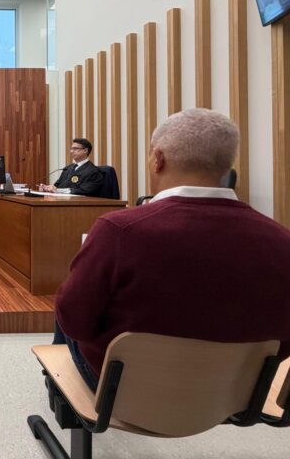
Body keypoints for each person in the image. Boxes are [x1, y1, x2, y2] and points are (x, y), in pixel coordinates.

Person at [54, 108, 290, 390]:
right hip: (238, 392)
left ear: (158, 159)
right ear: (227, 165)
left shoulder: (118, 230)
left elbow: (74, 320)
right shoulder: (281, 240)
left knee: (67, 307)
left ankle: (60, 390)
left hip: (128, 391)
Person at [39, 138, 103, 196]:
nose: (71, 151)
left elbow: (86, 191)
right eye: (71, 149)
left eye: (75, 149)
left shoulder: (93, 171)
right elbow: (57, 186)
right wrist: (48, 188)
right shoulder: (68, 168)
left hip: (78, 205)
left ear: (85, 150)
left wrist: (58, 190)